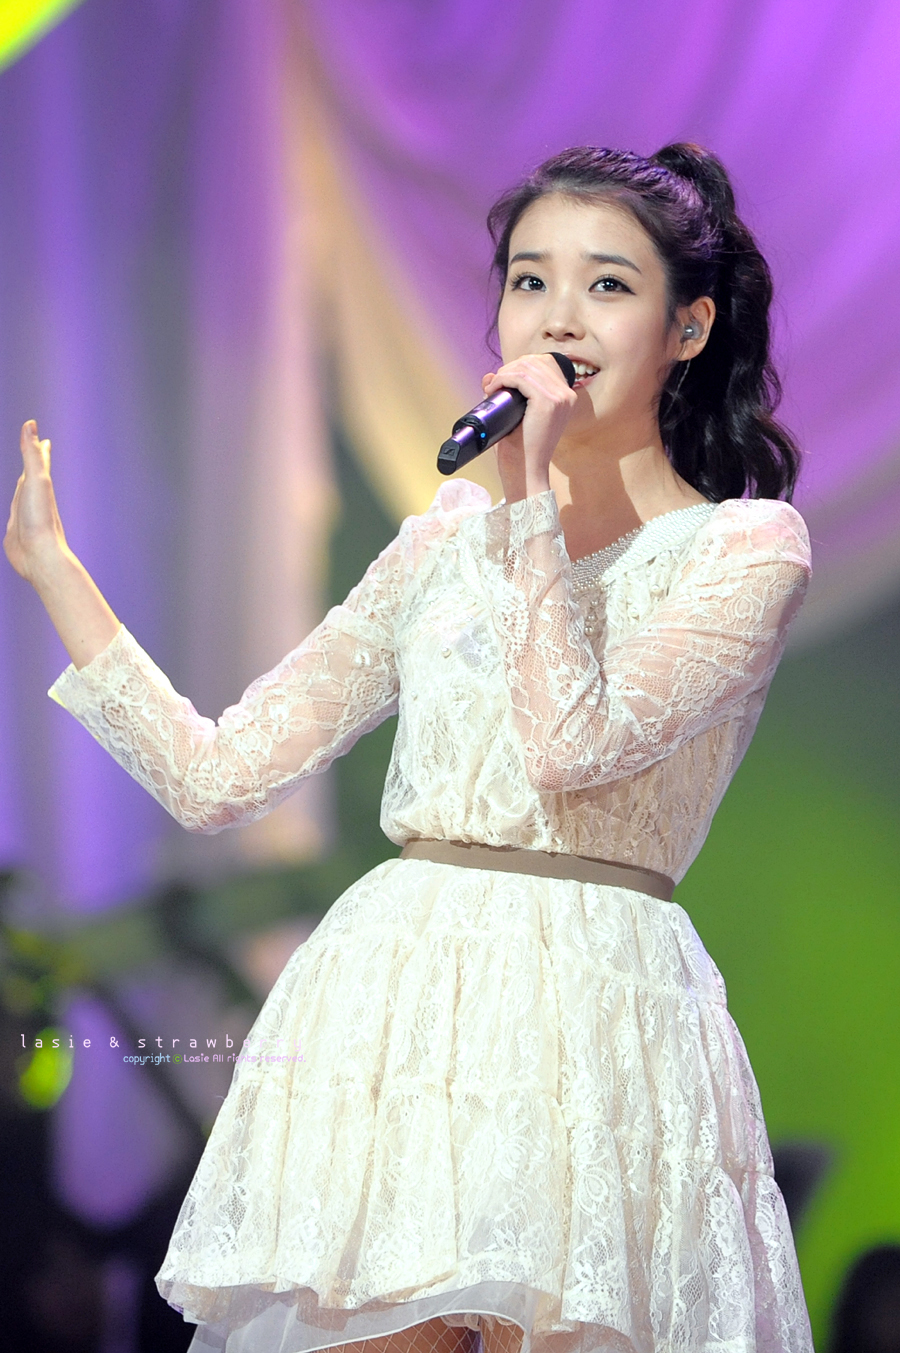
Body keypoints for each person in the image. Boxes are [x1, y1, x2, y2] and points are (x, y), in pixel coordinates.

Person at [4, 142, 816, 1353]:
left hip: (598, 1013)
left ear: (688, 328)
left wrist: (528, 499)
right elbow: (219, 777)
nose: (558, 316)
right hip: (399, 1003)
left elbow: (571, 744)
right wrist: (57, 577)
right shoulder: (445, 542)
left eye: (606, 284)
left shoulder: (746, 552)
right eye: (530, 281)